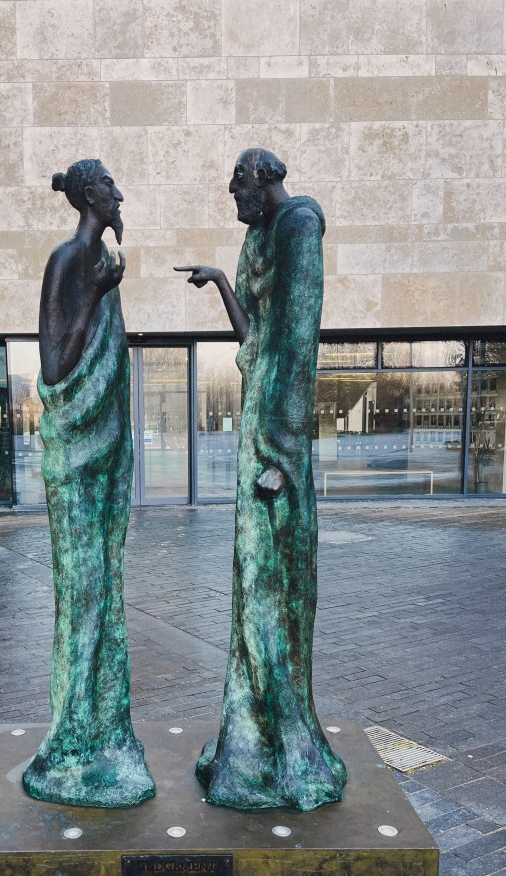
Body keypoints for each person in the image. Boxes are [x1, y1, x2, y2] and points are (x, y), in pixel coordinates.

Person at [175, 148, 347, 811]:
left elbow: (298, 342)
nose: (235, 205)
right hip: (257, 421)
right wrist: (223, 281)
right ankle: (249, 737)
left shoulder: (299, 225)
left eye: (236, 192)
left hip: (280, 440)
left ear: (260, 180)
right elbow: (254, 339)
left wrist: (283, 454)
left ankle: (285, 745)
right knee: (252, 584)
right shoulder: (258, 238)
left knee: (273, 583)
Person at [22, 159, 155, 808]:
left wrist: (105, 291)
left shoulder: (101, 264)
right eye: (107, 186)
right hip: (74, 459)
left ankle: (105, 731)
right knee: (82, 597)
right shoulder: (69, 260)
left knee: (106, 595)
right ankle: (69, 742)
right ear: (85, 196)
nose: (118, 194)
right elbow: (53, 367)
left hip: (104, 454)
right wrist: (96, 296)